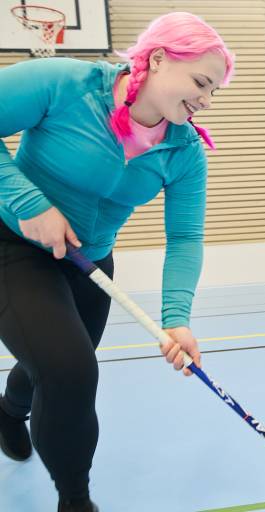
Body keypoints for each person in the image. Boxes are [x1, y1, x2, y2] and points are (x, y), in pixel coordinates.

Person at [0, 12, 234, 512]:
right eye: (200, 83)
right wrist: (27, 202)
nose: (206, 100)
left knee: (56, 360)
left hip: (89, 263)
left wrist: (177, 319)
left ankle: (8, 411)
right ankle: (76, 501)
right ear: (158, 59)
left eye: (214, 90)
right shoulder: (64, 84)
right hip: (14, 245)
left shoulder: (184, 150)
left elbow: (185, 237)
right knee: (70, 371)